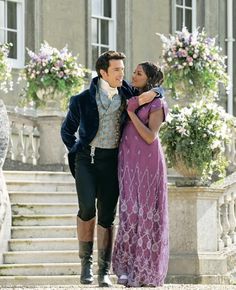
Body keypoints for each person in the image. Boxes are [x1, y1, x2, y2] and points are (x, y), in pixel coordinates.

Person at [60, 51, 159, 287]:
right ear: (103, 72)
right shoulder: (82, 99)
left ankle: (103, 270)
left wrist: (157, 91)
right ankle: (86, 264)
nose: (122, 74)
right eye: (117, 70)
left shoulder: (127, 93)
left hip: (112, 162)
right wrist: (77, 150)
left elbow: (157, 92)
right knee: (86, 208)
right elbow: (66, 130)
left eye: (123, 70)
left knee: (107, 214)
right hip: (86, 160)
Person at [112, 62, 169, 287]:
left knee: (144, 213)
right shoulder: (131, 93)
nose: (133, 76)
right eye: (134, 72)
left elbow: (150, 136)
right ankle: (124, 268)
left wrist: (131, 112)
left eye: (138, 73)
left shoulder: (157, 102)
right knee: (128, 212)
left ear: (149, 79)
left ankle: (144, 270)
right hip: (127, 162)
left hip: (148, 164)